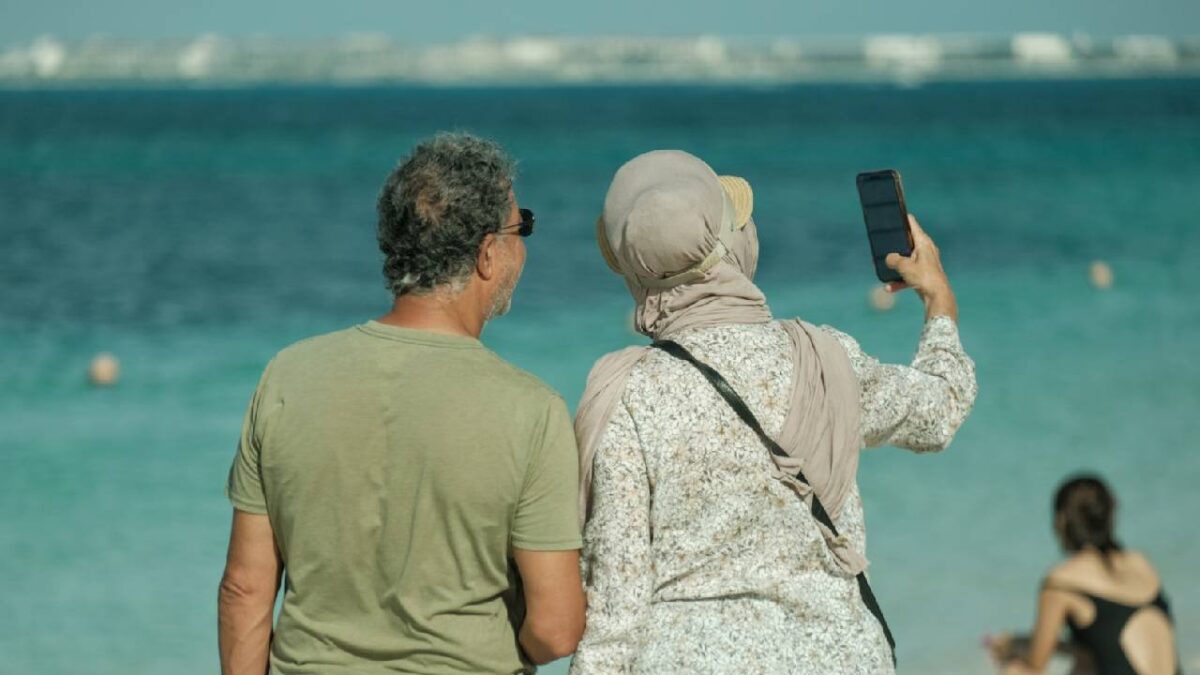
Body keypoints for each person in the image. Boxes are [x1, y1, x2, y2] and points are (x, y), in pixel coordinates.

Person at [570, 150, 977, 674]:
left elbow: (616, 604)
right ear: (732, 245)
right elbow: (939, 410)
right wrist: (938, 299)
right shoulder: (823, 357)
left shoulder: (625, 395)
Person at [218, 133, 585, 675]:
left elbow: (244, 589)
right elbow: (555, 630)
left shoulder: (287, 377)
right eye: (521, 227)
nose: (524, 243)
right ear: (487, 254)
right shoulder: (531, 411)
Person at [986, 475, 1181, 675]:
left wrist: (1009, 654)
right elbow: (1109, 644)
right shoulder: (1141, 563)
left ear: (1061, 521)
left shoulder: (1061, 582)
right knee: (1085, 661)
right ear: (1110, 514)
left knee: (1015, 670)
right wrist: (1018, 642)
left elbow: (1036, 666)